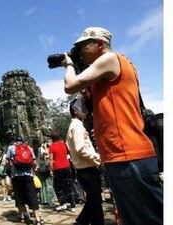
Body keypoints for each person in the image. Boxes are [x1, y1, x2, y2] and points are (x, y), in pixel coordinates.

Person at [63, 27, 162, 225]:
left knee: (148, 218)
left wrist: (69, 65)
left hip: (127, 154)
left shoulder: (110, 59)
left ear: (100, 44)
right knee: (133, 218)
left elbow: (70, 85)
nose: (80, 51)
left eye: (83, 46)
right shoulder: (107, 70)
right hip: (121, 155)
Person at [66, 97, 104, 225]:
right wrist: (98, 158)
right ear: (75, 111)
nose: (86, 111)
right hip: (87, 170)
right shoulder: (77, 126)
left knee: (93, 200)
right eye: (82, 108)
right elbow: (81, 148)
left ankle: (81, 221)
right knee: (95, 201)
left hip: (84, 169)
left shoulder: (76, 126)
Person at [6, 136, 44, 225]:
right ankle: (38, 219)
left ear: (15, 141)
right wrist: (33, 172)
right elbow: (34, 163)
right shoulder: (29, 148)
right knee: (33, 196)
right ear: (23, 142)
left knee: (19, 196)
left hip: (16, 176)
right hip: (28, 176)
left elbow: (7, 163)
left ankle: (25, 215)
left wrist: (9, 171)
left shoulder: (11, 148)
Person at [48, 131, 76, 212]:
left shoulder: (52, 146)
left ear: (52, 138)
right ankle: (72, 205)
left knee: (58, 186)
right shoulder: (64, 144)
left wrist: (51, 170)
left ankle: (63, 203)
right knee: (68, 185)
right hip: (67, 167)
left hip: (58, 168)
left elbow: (51, 159)